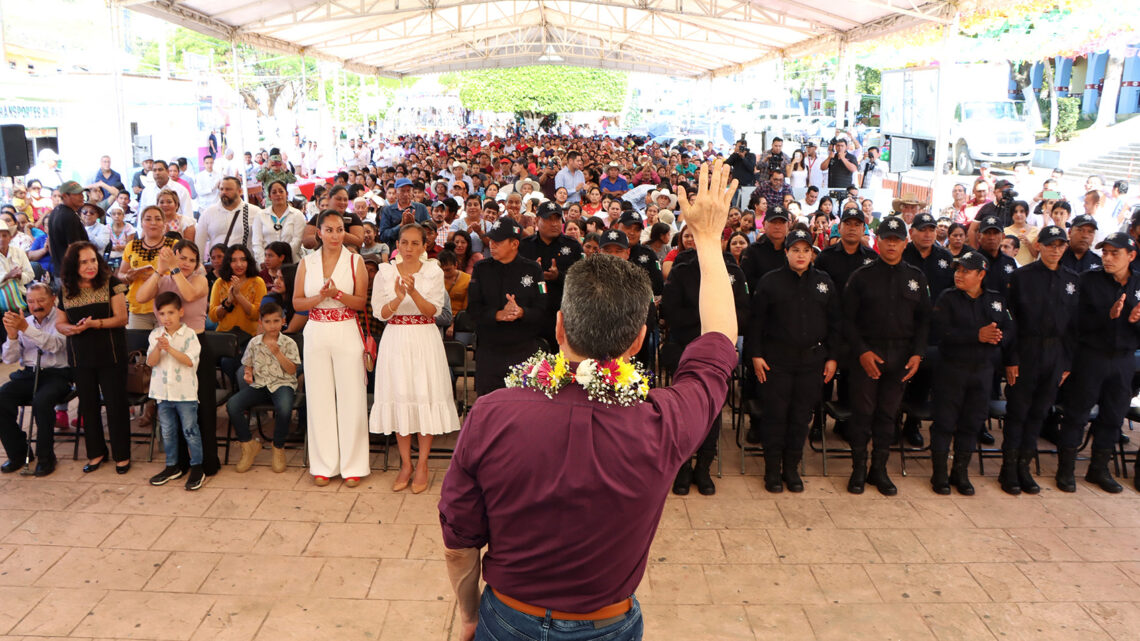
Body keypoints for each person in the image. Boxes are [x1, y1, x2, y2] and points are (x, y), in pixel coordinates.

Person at [439, 159, 739, 641]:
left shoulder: (492, 414)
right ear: (639, 341)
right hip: (608, 625)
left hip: (506, 619)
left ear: (559, 327)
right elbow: (720, 340)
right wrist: (707, 238)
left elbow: (459, 544)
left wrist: (470, 615)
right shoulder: (663, 422)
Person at [843, 215, 930, 495]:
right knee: (863, 413)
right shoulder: (861, 277)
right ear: (877, 241)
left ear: (906, 243)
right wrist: (862, 352)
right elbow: (846, 320)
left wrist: (917, 354)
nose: (891, 244)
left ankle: (878, 470)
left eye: (897, 240)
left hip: (901, 356)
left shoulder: (916, 278)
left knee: (887, 415)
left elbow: (924, 321)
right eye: (886, 239)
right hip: (867, 353)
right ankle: (858, 469)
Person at [370, 223, 460, 493]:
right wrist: (398, 299)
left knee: (423, 396)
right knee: (400, 397)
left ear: (424, 246)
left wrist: (413, 292)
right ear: (397, 243)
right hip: (395, 338)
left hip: (423, 338)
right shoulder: (384, 272)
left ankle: (422, 464)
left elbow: (434, 311)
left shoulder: (432, 270)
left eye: (415, 243)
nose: (409, 248)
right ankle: (405, 464)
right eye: (404, 242)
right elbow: (379, 313)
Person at [748, 228, 840, 492]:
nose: (801, 255)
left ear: (813, 253)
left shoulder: (824, 282)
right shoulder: (770, 282)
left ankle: (791, 469)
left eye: (806, 250)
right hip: (776, 360)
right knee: (775, 417)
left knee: (800, 417)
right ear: (786, 252)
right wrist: (755, 354)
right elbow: (756, 323)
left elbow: (836, 323)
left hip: (811, 361)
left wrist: (832, 357)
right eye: (795, 250)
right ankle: (772, 471)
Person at [659, 231, 748, 496]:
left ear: (721, 242)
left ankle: (704, 467)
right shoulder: (682, 270)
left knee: (713, 410)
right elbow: (670, 312)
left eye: (719, 238)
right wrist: (712, 320)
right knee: (683, 411)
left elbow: (744, 312)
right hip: (684, 348)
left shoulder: (733, 272)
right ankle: (683, 467)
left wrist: (714, 329)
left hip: (718, 353)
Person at [1058, 232, 1140, 494]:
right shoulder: (1088, 281)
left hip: (1124, 359)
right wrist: (1108, 316)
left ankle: (1099, 469)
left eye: (1115, 253)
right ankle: (1066, 469)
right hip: (1091, 357)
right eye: (1105, 252)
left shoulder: (1139, 283)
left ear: (1131, 256)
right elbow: (1073, 324)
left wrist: (1136, 321)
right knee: (1077, 413)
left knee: (1113, 416)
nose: (1107, 258)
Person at [293, 210, 370, 487]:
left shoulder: (355, 261)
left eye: (339, 230)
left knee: (352, 397)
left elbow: (361, 302)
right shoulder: (307, 262)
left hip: (346, 328)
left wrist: (336, 294)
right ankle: (324, 464)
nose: (335, 235)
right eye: (329, 229)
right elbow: (297, 303)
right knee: (319, 397)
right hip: (316, 331)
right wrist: (319, 297)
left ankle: (354, 465)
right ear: (319, 232)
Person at [928, 251, 1014, 495]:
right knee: (944, 422)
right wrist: (976, 335)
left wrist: (998, 337)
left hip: (983, 372)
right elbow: (940, 332)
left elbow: (1009, 329)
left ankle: (960, 471)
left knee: (972, 423)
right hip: (952, 370)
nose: (959, 274)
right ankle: (940, 473)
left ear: (981, 275)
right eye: (958, 270)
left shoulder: (996, 300)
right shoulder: (948, 298)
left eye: (966, 271)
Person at [1002, 225, 1078, 495]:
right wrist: (1011, 358)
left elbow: (1073, 327)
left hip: (1055, 355)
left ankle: (1024, 466)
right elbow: (1009, 321)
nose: (1055, 249)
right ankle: (1008, 470)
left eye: (1060, 245)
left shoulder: (1071, 279)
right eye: (1050, 244)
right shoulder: (1022, 277)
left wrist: (1066, 363)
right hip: (1026, 351)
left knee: (1038, 413)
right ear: (1039, 247)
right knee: (1018, 412)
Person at [57, 242, 132, 474]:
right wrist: (71, 329)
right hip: (80, 356)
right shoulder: (66, 289)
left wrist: (95, 324)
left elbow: (122, 318)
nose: (90, 266)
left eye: (93, 260)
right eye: (83, 262)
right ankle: (96, 453)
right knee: (87, 406)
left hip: (110, 353)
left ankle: (122, 455)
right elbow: (60, 323)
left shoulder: (111, 283)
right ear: (73, 265)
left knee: (115, 404)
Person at [466, 216, 547, 396]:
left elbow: (542, 310)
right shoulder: (481, 269)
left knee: (524, 408)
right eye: (491, 240)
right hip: (490, 352)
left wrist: (522, 312)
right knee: (489, 407)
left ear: (514, 244)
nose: (492, 245)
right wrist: (497, 315)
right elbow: (472, 309)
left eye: (498, 241)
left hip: (523, 351)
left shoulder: (533, 270)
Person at [0, 283, 70, 476]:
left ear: (53, 298)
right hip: (29, 373)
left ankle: (46, 457)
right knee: (2, 397)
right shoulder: (26, 321)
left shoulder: (62, 319)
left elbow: (56, 345)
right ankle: (18, 454)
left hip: (57, 373)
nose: (36, 305)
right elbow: (9, 359)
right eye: (31, 301)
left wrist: (26, 329)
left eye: (41, 300)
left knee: (42, 401)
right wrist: (13, 336)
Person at [899, 212, 956, 447]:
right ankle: (892, 421)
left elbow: (953, 291)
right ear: (912, 232)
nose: (928, 234)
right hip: (903, 328)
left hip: (933, 331)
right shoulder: (902, 254)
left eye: (931, 229)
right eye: (922, 229)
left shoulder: (945, 258)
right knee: (898, 377)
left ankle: (912, 424)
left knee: (924, 379)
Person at [227, 302, 301, 474]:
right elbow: (248, 364)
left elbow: (292, 370)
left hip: (283, 384)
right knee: (233, 405)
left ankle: (278, 446)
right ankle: (249, 445)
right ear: (261, 323)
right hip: (260, 385)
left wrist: (277, 353)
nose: (272, 325)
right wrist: (247, 373)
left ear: (283, 321)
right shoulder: (254, 343)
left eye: (276, 321)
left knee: (284, 408)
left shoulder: (288, 343)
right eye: (268, 322)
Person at [145, 292, 206, 491]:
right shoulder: (155, 335)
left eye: (170, 312)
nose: (166, 318)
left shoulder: (189, 335)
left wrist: (169, 348)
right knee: (168, 432)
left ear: (180, 312)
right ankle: (172, 466)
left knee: (190, 430)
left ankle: (197, 466)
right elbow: (150, 362)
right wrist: (159, 348)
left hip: (185, 393)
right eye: (162, 313)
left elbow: (189, 361)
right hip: (163, 393)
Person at [519, 201, 583, 343]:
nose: (554, 224)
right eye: (549, 219)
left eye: (557, 219)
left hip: (563, 314)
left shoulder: (573, 246)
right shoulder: (524, 246)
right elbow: (515, 279)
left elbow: (581, 281)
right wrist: (533, 274)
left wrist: (559, 276)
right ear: (537, 220)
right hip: (531, 315)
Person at [119, 206, 178, 330]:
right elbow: (120, 274)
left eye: (157, 219)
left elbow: (183, 275)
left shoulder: (174, 245)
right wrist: (127, 276)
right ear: (141, 223)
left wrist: (158, 276)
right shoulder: (131, 246)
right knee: (137, 347)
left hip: (166, 307)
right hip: (138, 308)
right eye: (148, 219)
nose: (153, 223)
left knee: (165, 347)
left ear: (164, 223)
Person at [196, 177, 265, 263]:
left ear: (240, 191)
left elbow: (261, 242)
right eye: (221, 189)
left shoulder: (255, 212)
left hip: (245, 267)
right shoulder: (208, 213)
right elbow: (199, 242)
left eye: (228, 189)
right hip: (219, 267)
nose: (224, 192)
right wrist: (199, 265)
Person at [207, 244, 266, 338]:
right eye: (233, 260)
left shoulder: (258, 282)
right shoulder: (220, 283)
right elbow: (213, 317)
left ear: (249, 261)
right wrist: (228, 302)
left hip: (250, 338)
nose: (239, 264)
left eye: (243, 259)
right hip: (224, 336)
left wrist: (238, 295)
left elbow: (257, 315)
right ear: (228, 263)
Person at [302, 185, 365, 250]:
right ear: (329, 199)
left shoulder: (352, 218)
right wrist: (325, 235)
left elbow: (359, 242)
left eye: (345, 200)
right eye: (339, 199)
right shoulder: (318, 217)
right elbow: (306, 242)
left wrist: (338, 232)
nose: (342, 202)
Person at [47, 181, 90, 277]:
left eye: (82, 193)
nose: (82, 196)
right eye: (77, 194)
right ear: (65, 196)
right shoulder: (69, 216)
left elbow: (49, 241)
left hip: (61, 271)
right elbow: (73, 248)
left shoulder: (55, 212)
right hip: (73, 274)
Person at [261, 180, 306, 260]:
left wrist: (282, 258)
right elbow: (257, 242)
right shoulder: (260, 215)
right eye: (274, 192)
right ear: (269, 196)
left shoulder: (297, 215)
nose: (278, 194)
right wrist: (265, 259)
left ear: (287, 194)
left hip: (292, 261)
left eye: (281, 191)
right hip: (268, 263)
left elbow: (297, 240)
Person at [378, 178, 430, 246]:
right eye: (402, 191)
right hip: (395, 248)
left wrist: (413, 223)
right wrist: (400, 225)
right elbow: (383, 236)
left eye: (408, 191)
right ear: (396, 192)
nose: (405, 194)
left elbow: (428, 231)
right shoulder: (387, 210)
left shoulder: (421, 208)